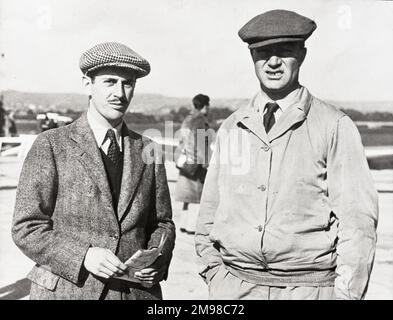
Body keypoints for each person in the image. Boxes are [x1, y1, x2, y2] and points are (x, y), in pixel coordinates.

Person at [195, 10, 378, 300]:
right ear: (252, 57)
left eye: (285, 50)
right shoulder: (232, 126)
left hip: (308, 288)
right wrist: (215, 274)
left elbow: (358, 222)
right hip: (235, 287)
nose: (273, 62)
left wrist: (346, 294)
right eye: (263, 52)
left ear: (302, 55)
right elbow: (209, 212)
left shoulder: (333, 125)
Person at [12, 42, 176, 300]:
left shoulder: (148, 149)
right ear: (87, 84)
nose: (119, 93)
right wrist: (83, 255)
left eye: (128, 83)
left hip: (134, 294)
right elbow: (27, 227)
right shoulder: (51, 145)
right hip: (67, 293)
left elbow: (162, 223)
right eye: (110, 82)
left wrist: (157, 257)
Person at [174, 94, 214, 235]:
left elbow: (181, 140)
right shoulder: (200, 121)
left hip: (185, 162)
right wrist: (205, 163)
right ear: (205, 106)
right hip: (196, 163)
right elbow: (201, 143)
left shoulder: (188, 119)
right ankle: (192, 227)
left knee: (187, 197)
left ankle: (184, 224)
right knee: (197, 196)